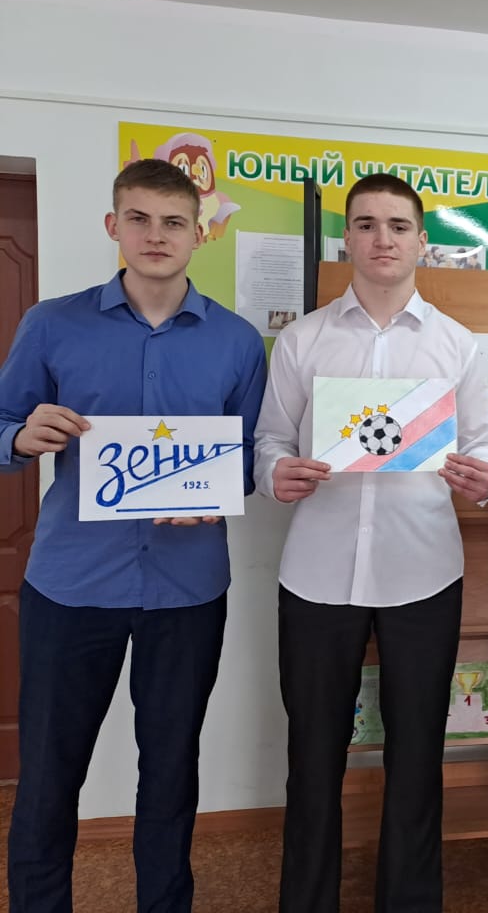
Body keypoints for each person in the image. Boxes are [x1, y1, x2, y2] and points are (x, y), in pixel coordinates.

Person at [0, 158, 267, 912]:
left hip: (187, 589)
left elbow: (248, 456)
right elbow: (2, 423)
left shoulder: (238, 342)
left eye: (174, 221)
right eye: (140, 219)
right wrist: (20, 437)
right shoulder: (51, 323)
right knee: (49, 774)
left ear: (199, 234)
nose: (157, 235)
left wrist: (220, 490)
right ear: (113, 226)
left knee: (172, 770)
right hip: (71, 584)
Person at [253, 172, 488, 913]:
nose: (382, 238)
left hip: (424, 572)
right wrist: (276, 473)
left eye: (397, 226)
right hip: (317, 574)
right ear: (348, 240)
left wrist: (479, 478)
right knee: (313, 754)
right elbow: (269, 441)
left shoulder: (457, 345)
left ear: (421, 241)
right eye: (365, 224)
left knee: (418, 752)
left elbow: (483, 456)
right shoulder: (303, 339)